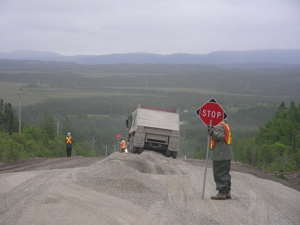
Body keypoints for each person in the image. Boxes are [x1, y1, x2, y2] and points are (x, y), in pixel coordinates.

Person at [208, 120, 233, 200]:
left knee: (219, 172)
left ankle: (221, 192)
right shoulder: (225, 124)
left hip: (220, 153)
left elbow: (221, 136)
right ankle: (227, 192)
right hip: (226, 153)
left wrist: (212, 133)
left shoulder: (218, 125)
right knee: (225, 172)